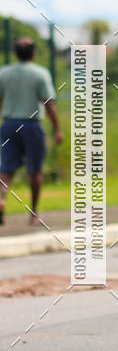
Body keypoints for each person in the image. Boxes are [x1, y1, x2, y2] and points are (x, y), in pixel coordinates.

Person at [0, 38, 63, 225]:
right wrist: (57, 129)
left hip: (9, 124)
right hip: (31, 125)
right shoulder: (40, 73)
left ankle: (1, 199)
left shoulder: (4, 73)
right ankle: (34, 213)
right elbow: (49, 103)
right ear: (34, 53)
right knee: (35, 170)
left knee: (5, 171)